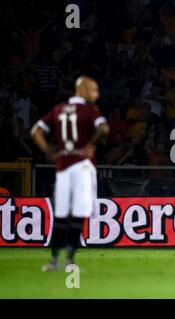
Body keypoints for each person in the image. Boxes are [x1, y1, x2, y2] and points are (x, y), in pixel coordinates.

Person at [30, 76, 109, 271]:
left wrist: (49, 150)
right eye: (94, 90)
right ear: (82, 90)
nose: (97, 94)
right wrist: (90, 145)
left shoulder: (58, 110)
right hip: (82, 166)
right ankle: (70, 261)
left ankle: (54, 260)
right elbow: (104, 129)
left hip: (63, 167)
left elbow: (35, 131)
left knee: (61, 214)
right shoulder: (90, 111)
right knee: (77, 214)